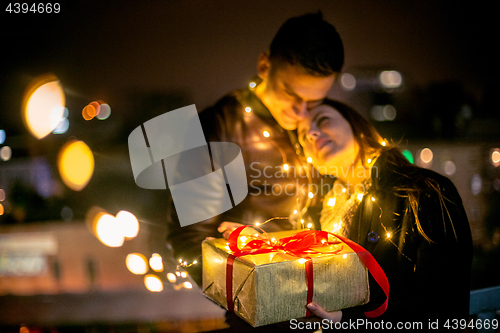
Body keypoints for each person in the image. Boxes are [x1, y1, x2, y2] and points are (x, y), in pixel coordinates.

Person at [166, 11, 344, 286]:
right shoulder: (218, 127)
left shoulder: (322, 124)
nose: (300, 113)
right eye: (291, 94)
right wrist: (255, 293)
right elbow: (189, 239)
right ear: (264, 65)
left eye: (313, 101)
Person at [297, 100, 473, 330]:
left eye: (323, 120)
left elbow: (445, 306)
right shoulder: (318, 211)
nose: (311, 133)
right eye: (302, 136)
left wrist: (348, 321)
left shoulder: (424, 190)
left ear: (357, 125)